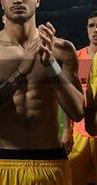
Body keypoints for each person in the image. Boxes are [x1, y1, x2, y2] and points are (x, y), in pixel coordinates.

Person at [0, 0, 84, 185]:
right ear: (2, 2)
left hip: (51, 162)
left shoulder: (62, 49)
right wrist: (22, 70)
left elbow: (77, 112)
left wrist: (50, 66)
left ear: (37, 0)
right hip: (0, 162)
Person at [64, 11, 97, 185]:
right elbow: (68, 96)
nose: (95, 29)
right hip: (80, 134)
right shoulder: (78, 58)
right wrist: (66, 130)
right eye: (91, 25)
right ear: (86, 29)